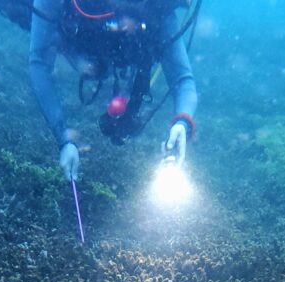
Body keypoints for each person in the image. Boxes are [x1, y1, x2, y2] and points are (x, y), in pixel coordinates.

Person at [27, 0, 199, 181]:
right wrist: (63, 138)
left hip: (108, 50)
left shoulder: (156, 8)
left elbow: (182, 78)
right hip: (70, 33)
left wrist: (182, 122)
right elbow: (39, 62)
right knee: (17, 10)